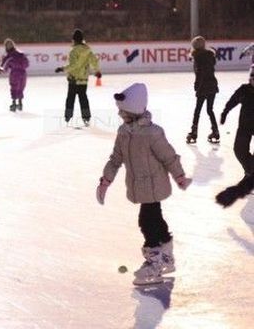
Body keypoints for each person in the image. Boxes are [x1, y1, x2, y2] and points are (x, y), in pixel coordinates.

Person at [96, 83, 191, 285]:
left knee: (147, 221)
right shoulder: (123, 132)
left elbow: (169, 157)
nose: (120, 114)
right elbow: (116, 158)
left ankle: (155, 262)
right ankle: (166, 256)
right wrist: (105, 180)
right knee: (155, 219)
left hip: (154, 185)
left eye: (123, 111)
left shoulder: (152, 133)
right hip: (139, 186)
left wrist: (180, 176)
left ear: (133, 111)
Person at [215, 63, 254, 207]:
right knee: (239, 150)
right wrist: (225, 112)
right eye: (252, 77)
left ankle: (250, 174)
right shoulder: (244, 90)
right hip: (244, 127)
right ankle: (250, 171)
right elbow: (232, 101)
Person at [55, 29, 101, 126]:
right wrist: (97, 71)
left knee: (70, 98)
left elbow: (74, 65)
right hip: (83, 79)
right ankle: (86, 117)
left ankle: (68, 116)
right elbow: (94, 61)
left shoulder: (73, 51)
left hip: (74, 79)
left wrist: (62, 69)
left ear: (74, 40)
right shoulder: (88, 50)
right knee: (83, 98)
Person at [186, 36, 219, 144]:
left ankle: (194, 133)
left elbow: (199, 74)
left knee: (197, 111)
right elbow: (209, 70)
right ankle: (215, 131)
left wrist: (197, 86)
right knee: (210, 110)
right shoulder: (210, 56)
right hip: (212, 85)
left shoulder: (197, 57)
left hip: (203, 86)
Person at [1, 38, 29, 112]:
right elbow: (26, 64)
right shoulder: (20, 54)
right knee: (19, 87)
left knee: (16, 87)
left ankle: (15, 103)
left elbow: (4, 66)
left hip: (16, 73)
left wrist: (3, 69)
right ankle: (18, 103)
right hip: (21, 73)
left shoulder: (10, 56)